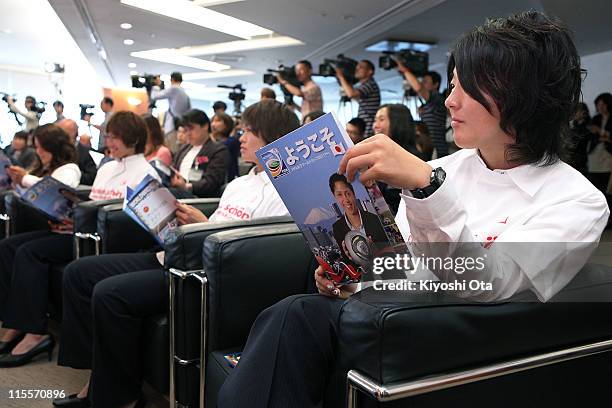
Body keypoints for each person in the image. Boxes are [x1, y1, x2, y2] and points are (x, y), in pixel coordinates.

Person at [217, 12, 610, 407]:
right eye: (453, 85)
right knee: (292, 314)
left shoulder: (576, 201)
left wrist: (426, 187)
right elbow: (405, 266)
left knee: (294, 316)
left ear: (525, 97)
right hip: (392, 316)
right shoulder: (447, 167)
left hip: (455, 346)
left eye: (467, 90)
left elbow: (490, 284)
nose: (449, 101)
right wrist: (356, 277)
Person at [54, 100, 300, 408]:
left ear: (272, 136)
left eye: (248, 131)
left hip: (201, 272)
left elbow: (250, 248)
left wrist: (203, 225)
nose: (241, 137)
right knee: (80, 272)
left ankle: (119, 397)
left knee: (109, 293)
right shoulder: (241, 182)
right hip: (178, 250)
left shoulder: (287, 190)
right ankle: (96, 374)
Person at [0, 113, 159, 369]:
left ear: (134, 138)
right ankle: (19, 324)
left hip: (105, 239)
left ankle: (34, 333)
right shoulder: (107, 167)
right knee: (11, 246)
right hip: (81, 231)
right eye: (108, 135)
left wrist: (81, 222)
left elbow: (134, 222)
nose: (109, 141)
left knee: (30, 253)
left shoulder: (146, 172)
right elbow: (89, 203)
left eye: (115, 136)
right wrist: (72, 216)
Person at [0, 124, 81, 364]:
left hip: (68, 235)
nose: (38, 152)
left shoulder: (69, 169)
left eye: (40, 147)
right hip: (52, 230)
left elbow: (60, 193)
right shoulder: (45, 167)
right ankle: (13, 321)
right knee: (6, 247)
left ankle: (35, 332)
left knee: (28, 252)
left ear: (52, 147)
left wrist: (25, 180)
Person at [372, 103, 423, 212]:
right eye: (375, 120)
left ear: (398, 123)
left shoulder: (414, 159)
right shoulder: (377, 156)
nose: (375, 125)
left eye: (381, 119)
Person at [329, 173, 388, 263]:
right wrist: (350, 259)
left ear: (354, 194)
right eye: (339, 195)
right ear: (335, 197)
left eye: (348, 193)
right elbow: (348, 263)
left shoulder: (375, 219)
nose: (346, 200)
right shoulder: (337, 228)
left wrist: (378, 253)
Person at [171, 109, 229, 197]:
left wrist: (186, 186)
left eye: (191, 129)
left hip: (197, 196)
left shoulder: (218, 150)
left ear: (205, 126)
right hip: (178, 191)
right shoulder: (184, 149)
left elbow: (212, 182)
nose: (188, 134)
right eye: (186, 130)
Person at [396, 60, 448, 157]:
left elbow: (419, 88)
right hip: (429, 147)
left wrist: (405, 70)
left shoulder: (437, 97)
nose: (423, 84)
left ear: (435, 85)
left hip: (437, 149)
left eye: (425, 82)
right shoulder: (430, 103)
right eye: (422, 82)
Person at [335, 60, 380, 137]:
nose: (357, 69)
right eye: (357, 67)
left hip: (368, 127)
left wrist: (341, 77)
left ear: (370, 71)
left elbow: (351, 94)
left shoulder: (370, 84)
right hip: (365, 125)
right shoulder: (367, 85)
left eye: (361, 67)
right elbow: (354, 96)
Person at [151, 72, 191, 154]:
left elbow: (155, 96)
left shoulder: (174, 88)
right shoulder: (184, 92)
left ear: (172, 79)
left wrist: (156, 85)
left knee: (172, 152)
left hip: (171, 128)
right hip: (179, 126)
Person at [57, 119, 98, 186]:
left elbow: (91, 177)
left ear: (74, 133)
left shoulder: (84, 152)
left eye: (61, 132)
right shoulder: (55, 150)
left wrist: (73, 174)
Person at [586, 93, 612, 192]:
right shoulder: (596, 118)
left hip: (608, 155)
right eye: (598, 104)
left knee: (606, 184)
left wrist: (601, 132)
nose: (600, 107)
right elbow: (591, 133)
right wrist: (604, 135)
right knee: (594, 185)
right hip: (594, 153)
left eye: (602, 104)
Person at [211, 112, 240, 181]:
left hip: (228, 179)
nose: (213, 124)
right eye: (212, 121)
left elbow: (220, 147)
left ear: (226, 124)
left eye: (217, 121)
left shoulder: (232, 141)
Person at [568, 102, 592, 173]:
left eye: (576, 111)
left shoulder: (587, 127)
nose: (574, 113)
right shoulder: (575, 125)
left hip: (580, 159)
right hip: (576, 158)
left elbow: (577, 143)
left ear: (583, 112)